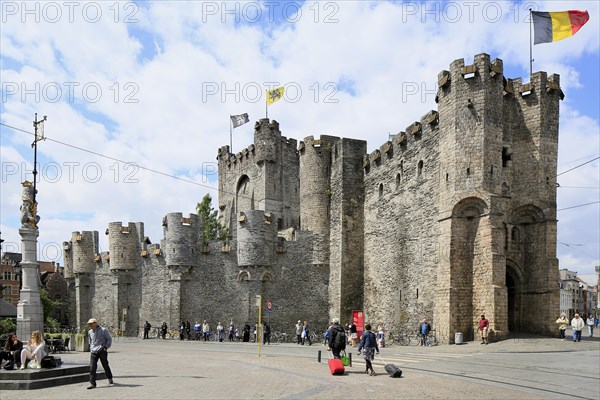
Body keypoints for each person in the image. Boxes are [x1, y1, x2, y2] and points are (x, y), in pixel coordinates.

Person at [87, 318, 114, 389]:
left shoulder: (103, 330)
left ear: (95, 323)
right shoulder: (90, 332)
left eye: (91, 324)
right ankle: (92, 383)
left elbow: (109, 339)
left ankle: (110, 378)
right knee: (92, 368)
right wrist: (91, 348)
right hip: (94, 351)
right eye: (89, 324)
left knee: (105, 365)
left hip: (102, 350)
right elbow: (90, 340)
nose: (90, 325)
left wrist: (105, 348)